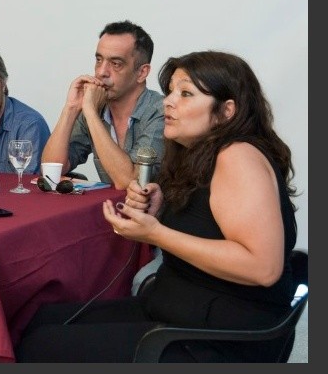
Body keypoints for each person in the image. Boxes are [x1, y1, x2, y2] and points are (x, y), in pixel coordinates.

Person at [16, 51, 298, 362]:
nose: (168, 102)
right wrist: (159, 207)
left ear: (226, 110)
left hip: (218, 339)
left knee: (40, 345)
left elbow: (263, 268)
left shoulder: (237, 156)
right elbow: (209, 222)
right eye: (171, 92)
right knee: (38, 321)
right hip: (177, 311)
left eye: (186, 93)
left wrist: (157, 234)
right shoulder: (199, 156)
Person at [41, 20, 164, 190]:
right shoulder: (95, 106)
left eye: (116, 64)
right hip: (112, 211)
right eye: (99, 60)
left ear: (142, 72)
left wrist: (90, 112)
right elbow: (51, 172)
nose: (101, 72)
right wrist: (71, 108)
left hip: (157, 215)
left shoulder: (161, 111)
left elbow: (129, 182)